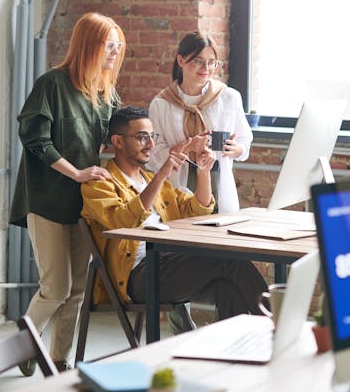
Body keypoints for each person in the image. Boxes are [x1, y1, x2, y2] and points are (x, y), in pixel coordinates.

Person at [81, 106, 267, 332]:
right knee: (229, 259)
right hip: (138, 276)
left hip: (167, 263)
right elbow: (122, 221)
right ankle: (279, 329)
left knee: (227, 287)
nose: (150, 144)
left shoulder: (152, 180)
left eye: (152, 136)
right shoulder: (100, 184)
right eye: (142, 137)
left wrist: (203, 173)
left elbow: (196, 211)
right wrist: (162, 173)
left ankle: (236, 355)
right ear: (118, 141)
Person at [9, 12, 125, 374]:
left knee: (77, 289)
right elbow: (34, 139)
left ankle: (58, 360)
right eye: (109, 44)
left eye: (119, 46)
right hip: (45, 201)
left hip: (82, 205)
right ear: (89, 43)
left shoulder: (106, 93)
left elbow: (121, 133)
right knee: (55, 287)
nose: (115, 52)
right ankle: (22, 348)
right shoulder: (51, 85)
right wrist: (75, 172)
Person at [148, 31, 252, 212]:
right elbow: (154, 157)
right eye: (198, 61)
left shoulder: (229, 97)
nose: (206, 68)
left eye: (212, 62)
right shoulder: (161, 103)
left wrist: (237, 149)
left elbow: (244, 142)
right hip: (177, 183)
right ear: (181, 60)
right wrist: (188, 147)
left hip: (218, 179)